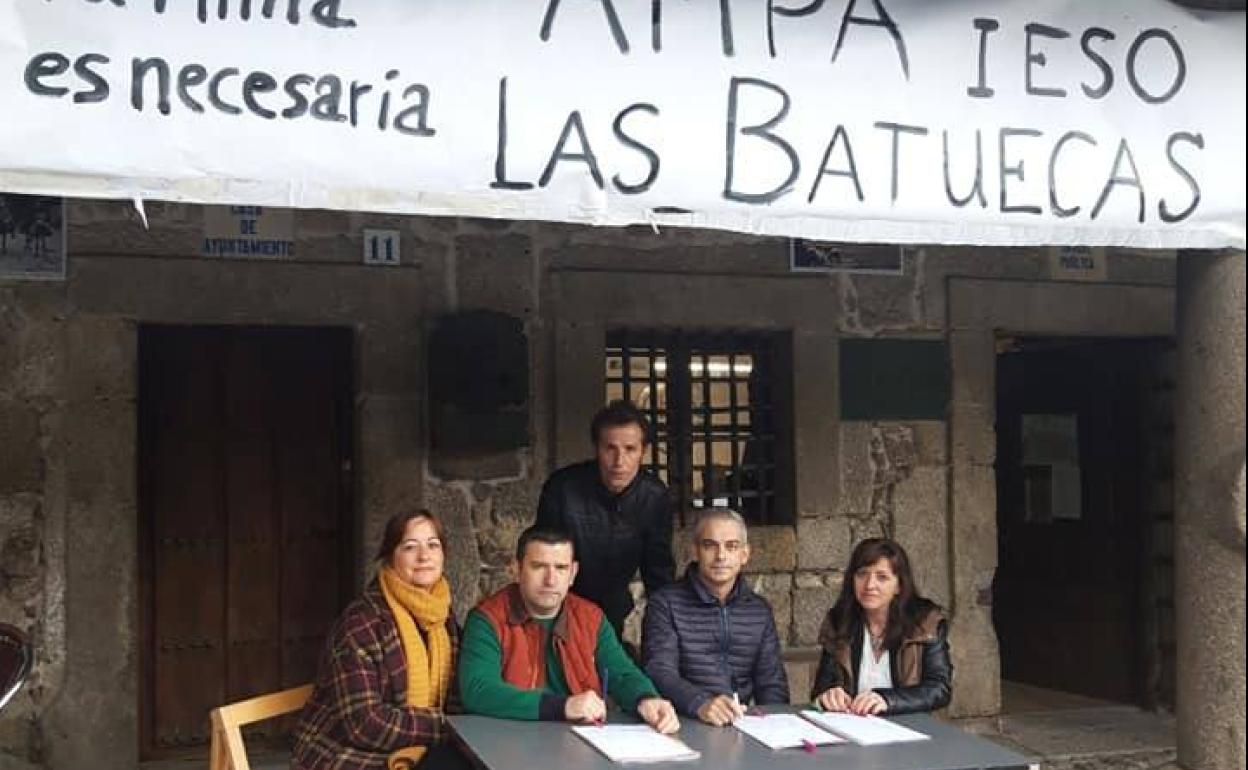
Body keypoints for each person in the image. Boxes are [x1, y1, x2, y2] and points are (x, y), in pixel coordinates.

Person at [458, 525, 680, 733]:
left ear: (573, 573)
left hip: (580, 745)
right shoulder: (487, 619)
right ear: (516, 570)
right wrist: (563, 706)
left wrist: (646, 699)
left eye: (561, 568)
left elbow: (622, 673)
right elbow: (478, 690)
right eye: (538, 567)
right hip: (509, 741)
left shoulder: (590, 618)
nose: (550, 580)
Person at [292, 510, 467, 770]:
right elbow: (364, 723)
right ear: (390, 555)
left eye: (433, 545)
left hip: (414, 745)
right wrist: (449, 725)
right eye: (410, 547)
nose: (424, 557)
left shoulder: (442, 616)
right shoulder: (361, 623)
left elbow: (455, 695)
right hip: (345, 753)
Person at [535, 400, 676, 638]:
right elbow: (543, 555)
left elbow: (658, 571)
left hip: (613, 608)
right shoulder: (563, 488)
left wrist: (667, 634)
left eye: (630, 449)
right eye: (610, 448)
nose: (619, 461)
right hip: (560, 605)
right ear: (596, 448)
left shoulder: (654, 497)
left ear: (644, 451)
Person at [642, 509, 790, 726]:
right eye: (710, 545)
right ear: (694, 551)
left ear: (744, 554)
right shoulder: (665, 603)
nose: (721, 556)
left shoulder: (758, 610)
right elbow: (660, 672)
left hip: (743, 724)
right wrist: (700, 704)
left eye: (731, 546)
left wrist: (776, 726)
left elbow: (772, 684)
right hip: (682, 721)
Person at [810, 538, 952, 716]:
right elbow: (820, 690)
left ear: (899, 585)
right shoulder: (839, 622)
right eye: (862, 574)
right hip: (853, 730)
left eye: (882, 577)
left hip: (911, 731)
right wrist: (828, 696)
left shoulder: (925, 623)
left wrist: (888, 700)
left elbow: (939, 689)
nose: (870, 585)